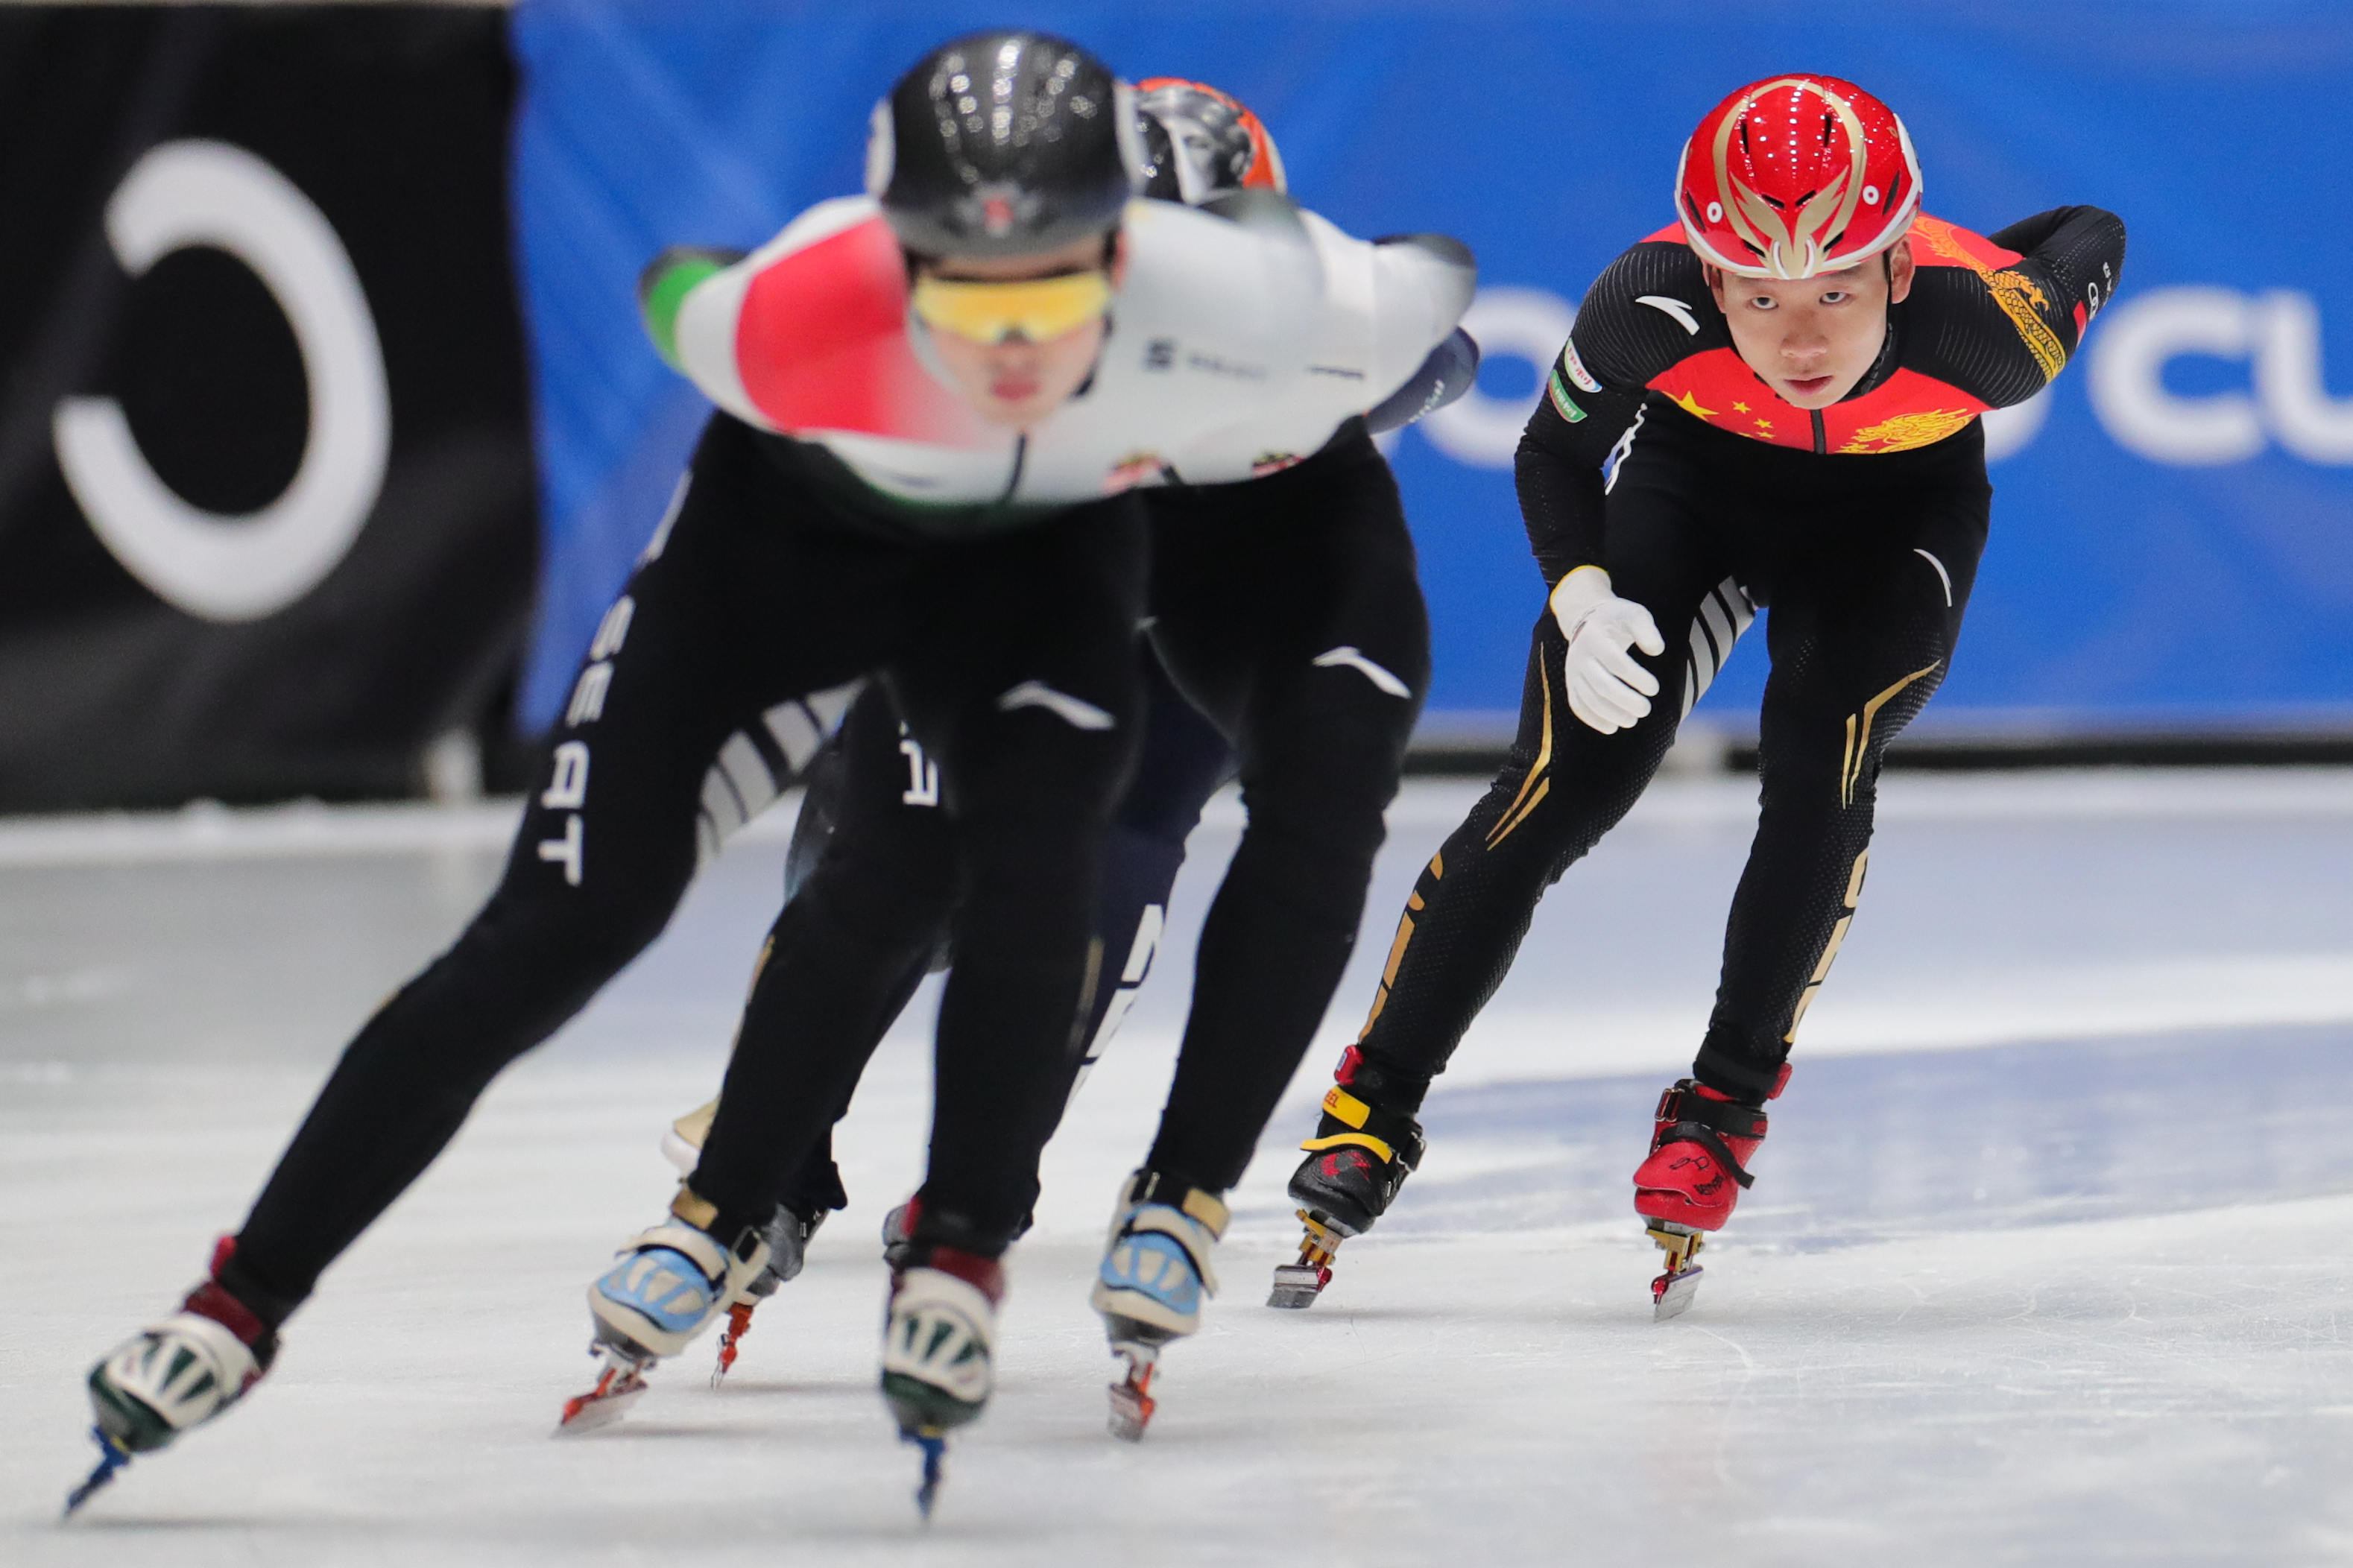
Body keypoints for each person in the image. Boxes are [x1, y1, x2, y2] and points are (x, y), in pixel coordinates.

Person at [72, 37, 1473, 1517]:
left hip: (1043, 554)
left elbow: (1427, 301)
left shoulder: (1278, 307)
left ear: (1140, 259)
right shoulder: (787, 315)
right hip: (793, 560)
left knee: (1065, 863)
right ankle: (247, 1294)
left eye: (1061, 292)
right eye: (962, 292)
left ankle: (996, 1231)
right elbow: (677, 289)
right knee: (582, 922)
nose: (1014, 347)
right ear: (894, 258)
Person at [607, 77, 1478, 1447]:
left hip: (1182, 631)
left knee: (1111, 882)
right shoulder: (984, 306)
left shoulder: (1317, 319)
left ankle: (1005, 1191)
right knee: (883, 844)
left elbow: (1434, 349)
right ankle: (773, 1167)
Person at [1272, 74, 2126, 1319]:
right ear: (1707, 275)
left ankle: (1718, 1112)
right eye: (1759, 294)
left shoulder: (1989, 332)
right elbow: (1553, 450)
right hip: (1695, 488)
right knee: (1564, 778)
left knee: (1820, 740)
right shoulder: (1644, 301)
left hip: (1898, 517)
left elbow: (2090, 228)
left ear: (1896, 269)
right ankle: (1371, 1107)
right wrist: (1577, 592)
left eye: (1836, 288)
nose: (1797, 340)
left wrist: (1970, 252)